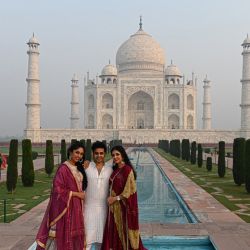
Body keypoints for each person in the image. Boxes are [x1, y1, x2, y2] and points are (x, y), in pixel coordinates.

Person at [36, 141, 86, 250]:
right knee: (64, 235)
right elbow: (57, 190)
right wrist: (77, 194)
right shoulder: (64, 168)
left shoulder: (79, 168)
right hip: (66, 208)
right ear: (70, 152)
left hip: (77, 206)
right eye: (77, 152)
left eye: (81, 154)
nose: (79, 156)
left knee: (75, 236)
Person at [101, 145, 146, 250]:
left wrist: (115, 198)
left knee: (122, 232)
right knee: (114, 232)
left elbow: (129, 191)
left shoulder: (127, 170)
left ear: (122, 155)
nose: (115, 157)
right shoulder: (115, 169)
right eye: (113, 155)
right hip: (113, 208)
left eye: (117, 154)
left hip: (123, 208)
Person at [84, 141, 113, 250]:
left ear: (105, 153)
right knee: (86, 242)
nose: (99, 155)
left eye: (101, 153)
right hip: (88, 209)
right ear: (92, 153)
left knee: (103, 243)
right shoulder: (86, 167)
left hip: (104, 210)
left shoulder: (110, 169)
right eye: (96, 153)